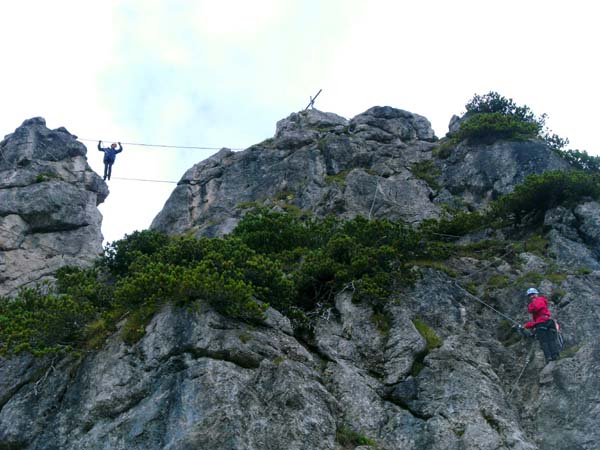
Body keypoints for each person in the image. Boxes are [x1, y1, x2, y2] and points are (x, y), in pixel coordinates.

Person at [520, 287, 561, 362]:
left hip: (542, 323)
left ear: (536, 294)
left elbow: (534, 308)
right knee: (551, 339)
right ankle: (555, 355)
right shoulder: (542, 300)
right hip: (548, 321)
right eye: (530, 295)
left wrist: (527, 325)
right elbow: (536, 316)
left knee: (544, 341)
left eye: (533, 294)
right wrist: (527, 325)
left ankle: (549, 357)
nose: (531, 296)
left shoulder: (539, 300)